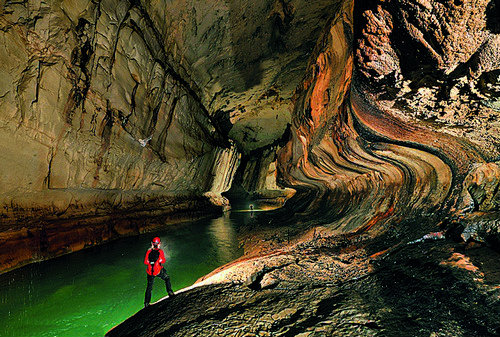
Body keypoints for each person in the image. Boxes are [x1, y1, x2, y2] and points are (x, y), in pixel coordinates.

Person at [143, 237, 175, 307]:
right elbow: (163, 261)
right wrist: (158, 260)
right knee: (167, 278)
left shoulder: (148, 252)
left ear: (152, 244)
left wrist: (150, 262)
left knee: (149, 287)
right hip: (157, 271)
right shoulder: (160, 251)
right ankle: (170, 292)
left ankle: (146, 303)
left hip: (150, 272)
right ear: (159, 244)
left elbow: (145, 262)